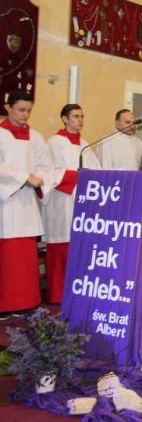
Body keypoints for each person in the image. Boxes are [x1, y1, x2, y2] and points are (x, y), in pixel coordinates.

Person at [0, 91, 52, 318]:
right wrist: (24, 178)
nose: (25, 115)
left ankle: (26, 301)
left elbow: (45, 165)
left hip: (27, 203)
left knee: (25, 257)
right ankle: (4, 304)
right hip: (6, 203)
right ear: (8, 108)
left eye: (29, 110)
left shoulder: (37, 137)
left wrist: (38, 178)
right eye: (21, 110)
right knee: (7, 257)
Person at [43, 104, 101, 304]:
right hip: (62, 202)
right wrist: (74, 177)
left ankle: (77, 292)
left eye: (82, 116)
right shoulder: (54, 142)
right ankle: (58, 295)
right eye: (76, 116)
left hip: (83, 202)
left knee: (80, 249)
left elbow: (96, 169)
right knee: (61, 248)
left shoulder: (84, 144)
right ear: (65, 119)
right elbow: (47, 172)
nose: (80, 120)